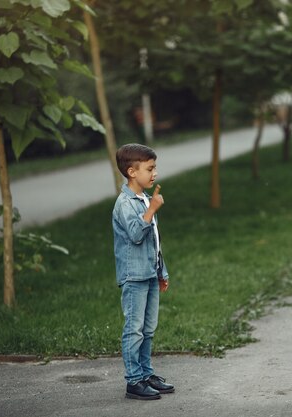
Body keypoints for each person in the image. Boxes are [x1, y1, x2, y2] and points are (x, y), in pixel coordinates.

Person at [112, 143, 174, 400]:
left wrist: (162, 271)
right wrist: (150, 211)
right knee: (134, 329)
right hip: (134, 276)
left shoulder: (145, 199)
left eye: (155, 167)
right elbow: (137, 235)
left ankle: (146, 373)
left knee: (148, 328)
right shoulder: (125, 204)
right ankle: (134, 381)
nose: (155, 173)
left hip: (149, 273)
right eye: (150, 169)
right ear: (132, 172)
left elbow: (154, 241)